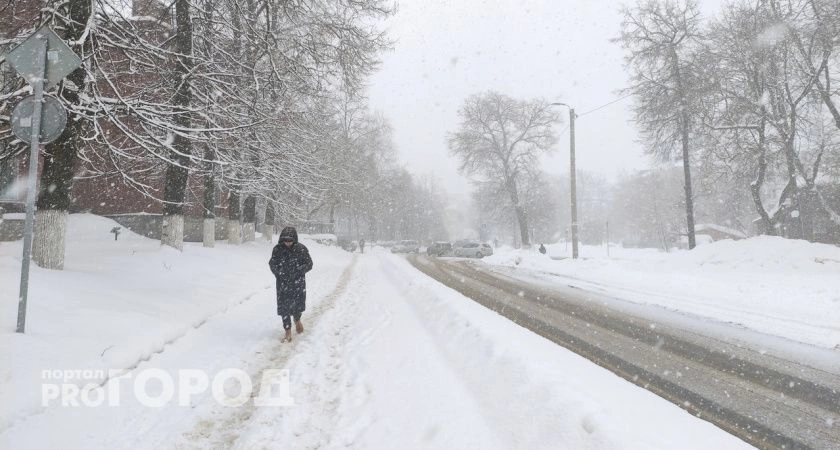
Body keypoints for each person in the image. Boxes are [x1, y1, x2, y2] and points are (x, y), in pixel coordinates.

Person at [269, 227, 313, 342]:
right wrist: (279, 273)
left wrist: (299, 271)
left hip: (298, 283)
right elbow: (272, 263)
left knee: (297, 305)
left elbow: (309, 263)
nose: (288, 242)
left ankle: (297, 319)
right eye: (285, 240)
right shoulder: (277, 250)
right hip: (283, 283)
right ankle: (287, 330)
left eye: (290, 240)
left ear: (295, 239)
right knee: (284, 307)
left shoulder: (301, 249)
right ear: (281, 239)